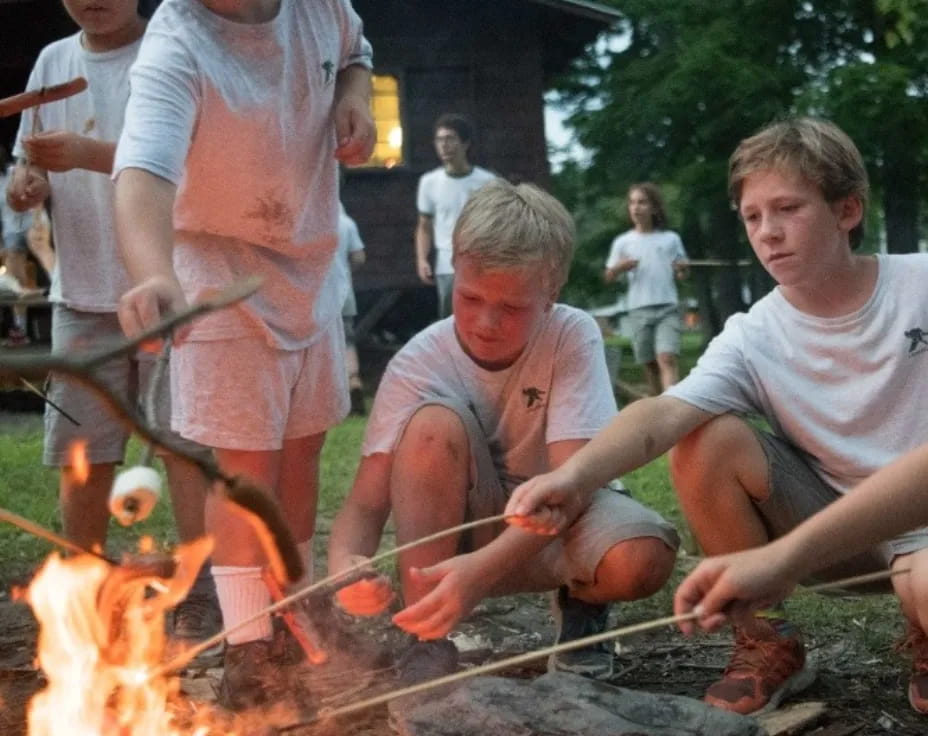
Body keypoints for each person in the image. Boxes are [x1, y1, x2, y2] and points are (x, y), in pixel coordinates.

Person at [505, 117, 928, 716]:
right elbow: (662, 414)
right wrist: (575, 477)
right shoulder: (756, 333)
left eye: (788, 209)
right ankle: (767, 641)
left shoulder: (921, 285)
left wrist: (785, 558)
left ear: (847, 210)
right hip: (831, 530)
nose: (769, 233)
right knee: (703, 438)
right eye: (752, 217)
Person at [110, 0, 375, 711]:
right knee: (244, 473)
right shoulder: (177, 46)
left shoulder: (321, 7)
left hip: (311, 267)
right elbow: (142, 171)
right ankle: (248, 644)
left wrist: (354, 96)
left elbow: (355, 51)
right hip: (219, 274)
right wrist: (153, 272)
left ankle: (296, 607)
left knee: (302, 451)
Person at [329, 180, 679, 714]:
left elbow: (572, 487)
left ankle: (583, 606)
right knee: (430, 425)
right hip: (465, 531)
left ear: (551, 293)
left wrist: (486, 570)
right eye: (470, 298)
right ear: (455, 268)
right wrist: (344, 568)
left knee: (640, 558)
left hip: (561, 517)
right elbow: (365, 504)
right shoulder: (418, 363)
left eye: (512, 307)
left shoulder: (571, 335)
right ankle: (426, 636)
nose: (486, 322)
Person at [5, 0, 221, 651]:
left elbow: (192, 162)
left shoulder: (173, 46)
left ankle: (200, 583)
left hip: (166, 286)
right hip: (82, 293)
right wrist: (26, 181)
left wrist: (87, 153)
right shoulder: (53, 62)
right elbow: (29, 162)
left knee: (184, 443)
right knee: (83, 449)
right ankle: (83, 579)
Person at [604, 182, 688, 395]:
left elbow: (682, 273)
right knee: (649, 363)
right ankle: (658, 403)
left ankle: (673, 405)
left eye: (642, 202)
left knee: (667, 357)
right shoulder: (623, 242)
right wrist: (620, 267)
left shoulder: (670, 239)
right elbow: (608, 276)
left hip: (667, 306)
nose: (636, 207)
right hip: (638, 309)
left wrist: (681, 269)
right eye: (632, 202)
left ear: (654, 208)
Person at [415, 113, 495, 319]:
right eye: (440, 140)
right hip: (447, 262)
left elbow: (499, 225)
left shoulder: (487, 182)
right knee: (450, 320)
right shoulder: (429, 182)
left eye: (450, 139)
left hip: (481, 262)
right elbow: (424, 225)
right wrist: (422, 259)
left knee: (482, 317)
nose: (444, 145)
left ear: (465, 143)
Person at [336, 201, 367, 416]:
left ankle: (334, 396)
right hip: (344, 292)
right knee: (347, 341)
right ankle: (353, 380)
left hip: (317, 297)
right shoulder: (347, 223)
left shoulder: (314, 221)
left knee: (323, 347)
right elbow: (358, 257)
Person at [1, 156, 35, 346]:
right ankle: (19, 329)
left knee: (51, 269)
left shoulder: (17, 170)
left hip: (34, 226)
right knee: (16, 281)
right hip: (12, 231)